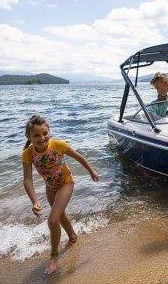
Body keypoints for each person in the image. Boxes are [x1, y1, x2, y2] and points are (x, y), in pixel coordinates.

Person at [21, 115, 100, 275]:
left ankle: (53, 256)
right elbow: (27, 180)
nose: (42, 138)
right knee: (60, 215)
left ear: (49, 132)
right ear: (29, 137)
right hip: (50, 186)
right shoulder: (27, 154)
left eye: (45, 133)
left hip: (66, 183)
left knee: (53, 219)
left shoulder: (58, 145)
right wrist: (34, 200)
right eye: (36, 135)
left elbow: (79, 157)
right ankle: (72, 236)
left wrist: (91, 171)